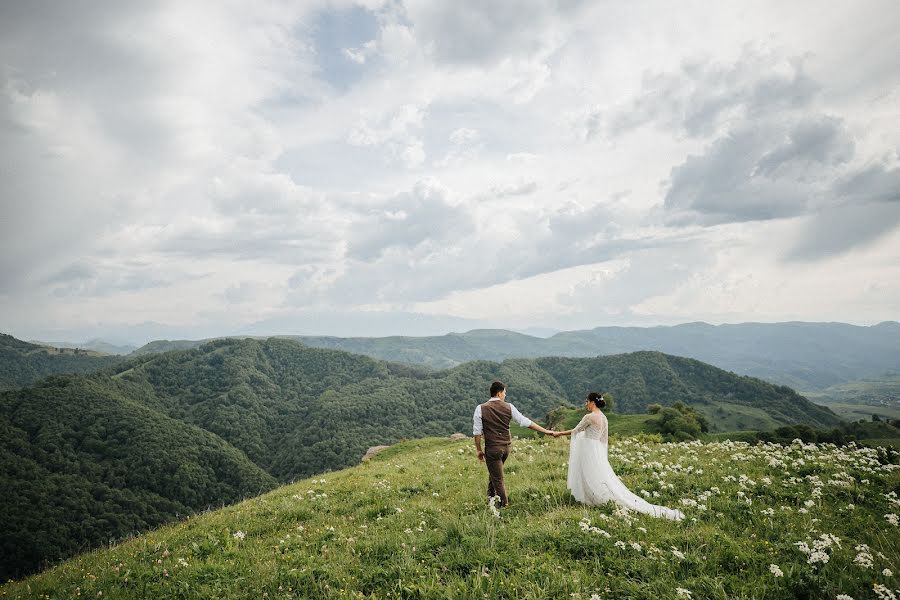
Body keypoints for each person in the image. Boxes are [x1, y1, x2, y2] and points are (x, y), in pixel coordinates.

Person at [554, 392, 684, 520]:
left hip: (588, 449)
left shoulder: (589, 417)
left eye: (587, 401)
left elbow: (576, 431)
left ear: (593, 402)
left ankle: (593, 499)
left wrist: (557, 434)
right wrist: (600, 454)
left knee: (588, 474)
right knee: (597, 475)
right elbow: (604, 439)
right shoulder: (604, 418)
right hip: (597, 450)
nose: (586, 404)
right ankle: (592, 498)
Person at [473, 380, 556, 507]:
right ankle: (490, 500)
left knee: (498, 478)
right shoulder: (509, 407)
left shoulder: (480, 408)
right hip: (506, 447)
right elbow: (525, 422)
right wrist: (546, 431)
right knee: (494, 474)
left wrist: (478, 449)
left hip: (493, 448)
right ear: (499, 393)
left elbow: (477, 432)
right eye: (505, 393)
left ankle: (504, 507)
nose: (505, 395)